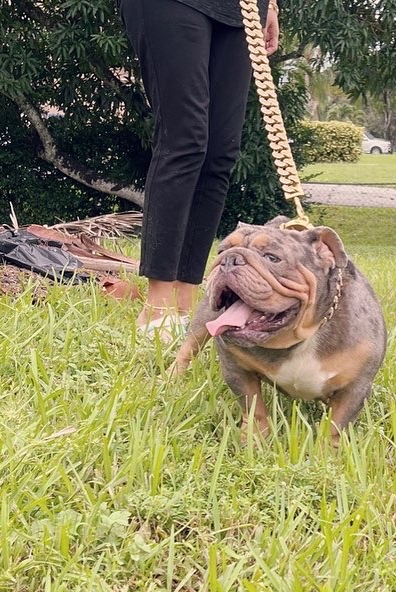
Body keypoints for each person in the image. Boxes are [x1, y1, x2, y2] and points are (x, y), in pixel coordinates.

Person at [119, 0, 279, 343]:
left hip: (240, 7)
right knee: (185, 141)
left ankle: (185, 304)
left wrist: (272, 6)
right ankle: (157, 307)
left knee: (221, 153)